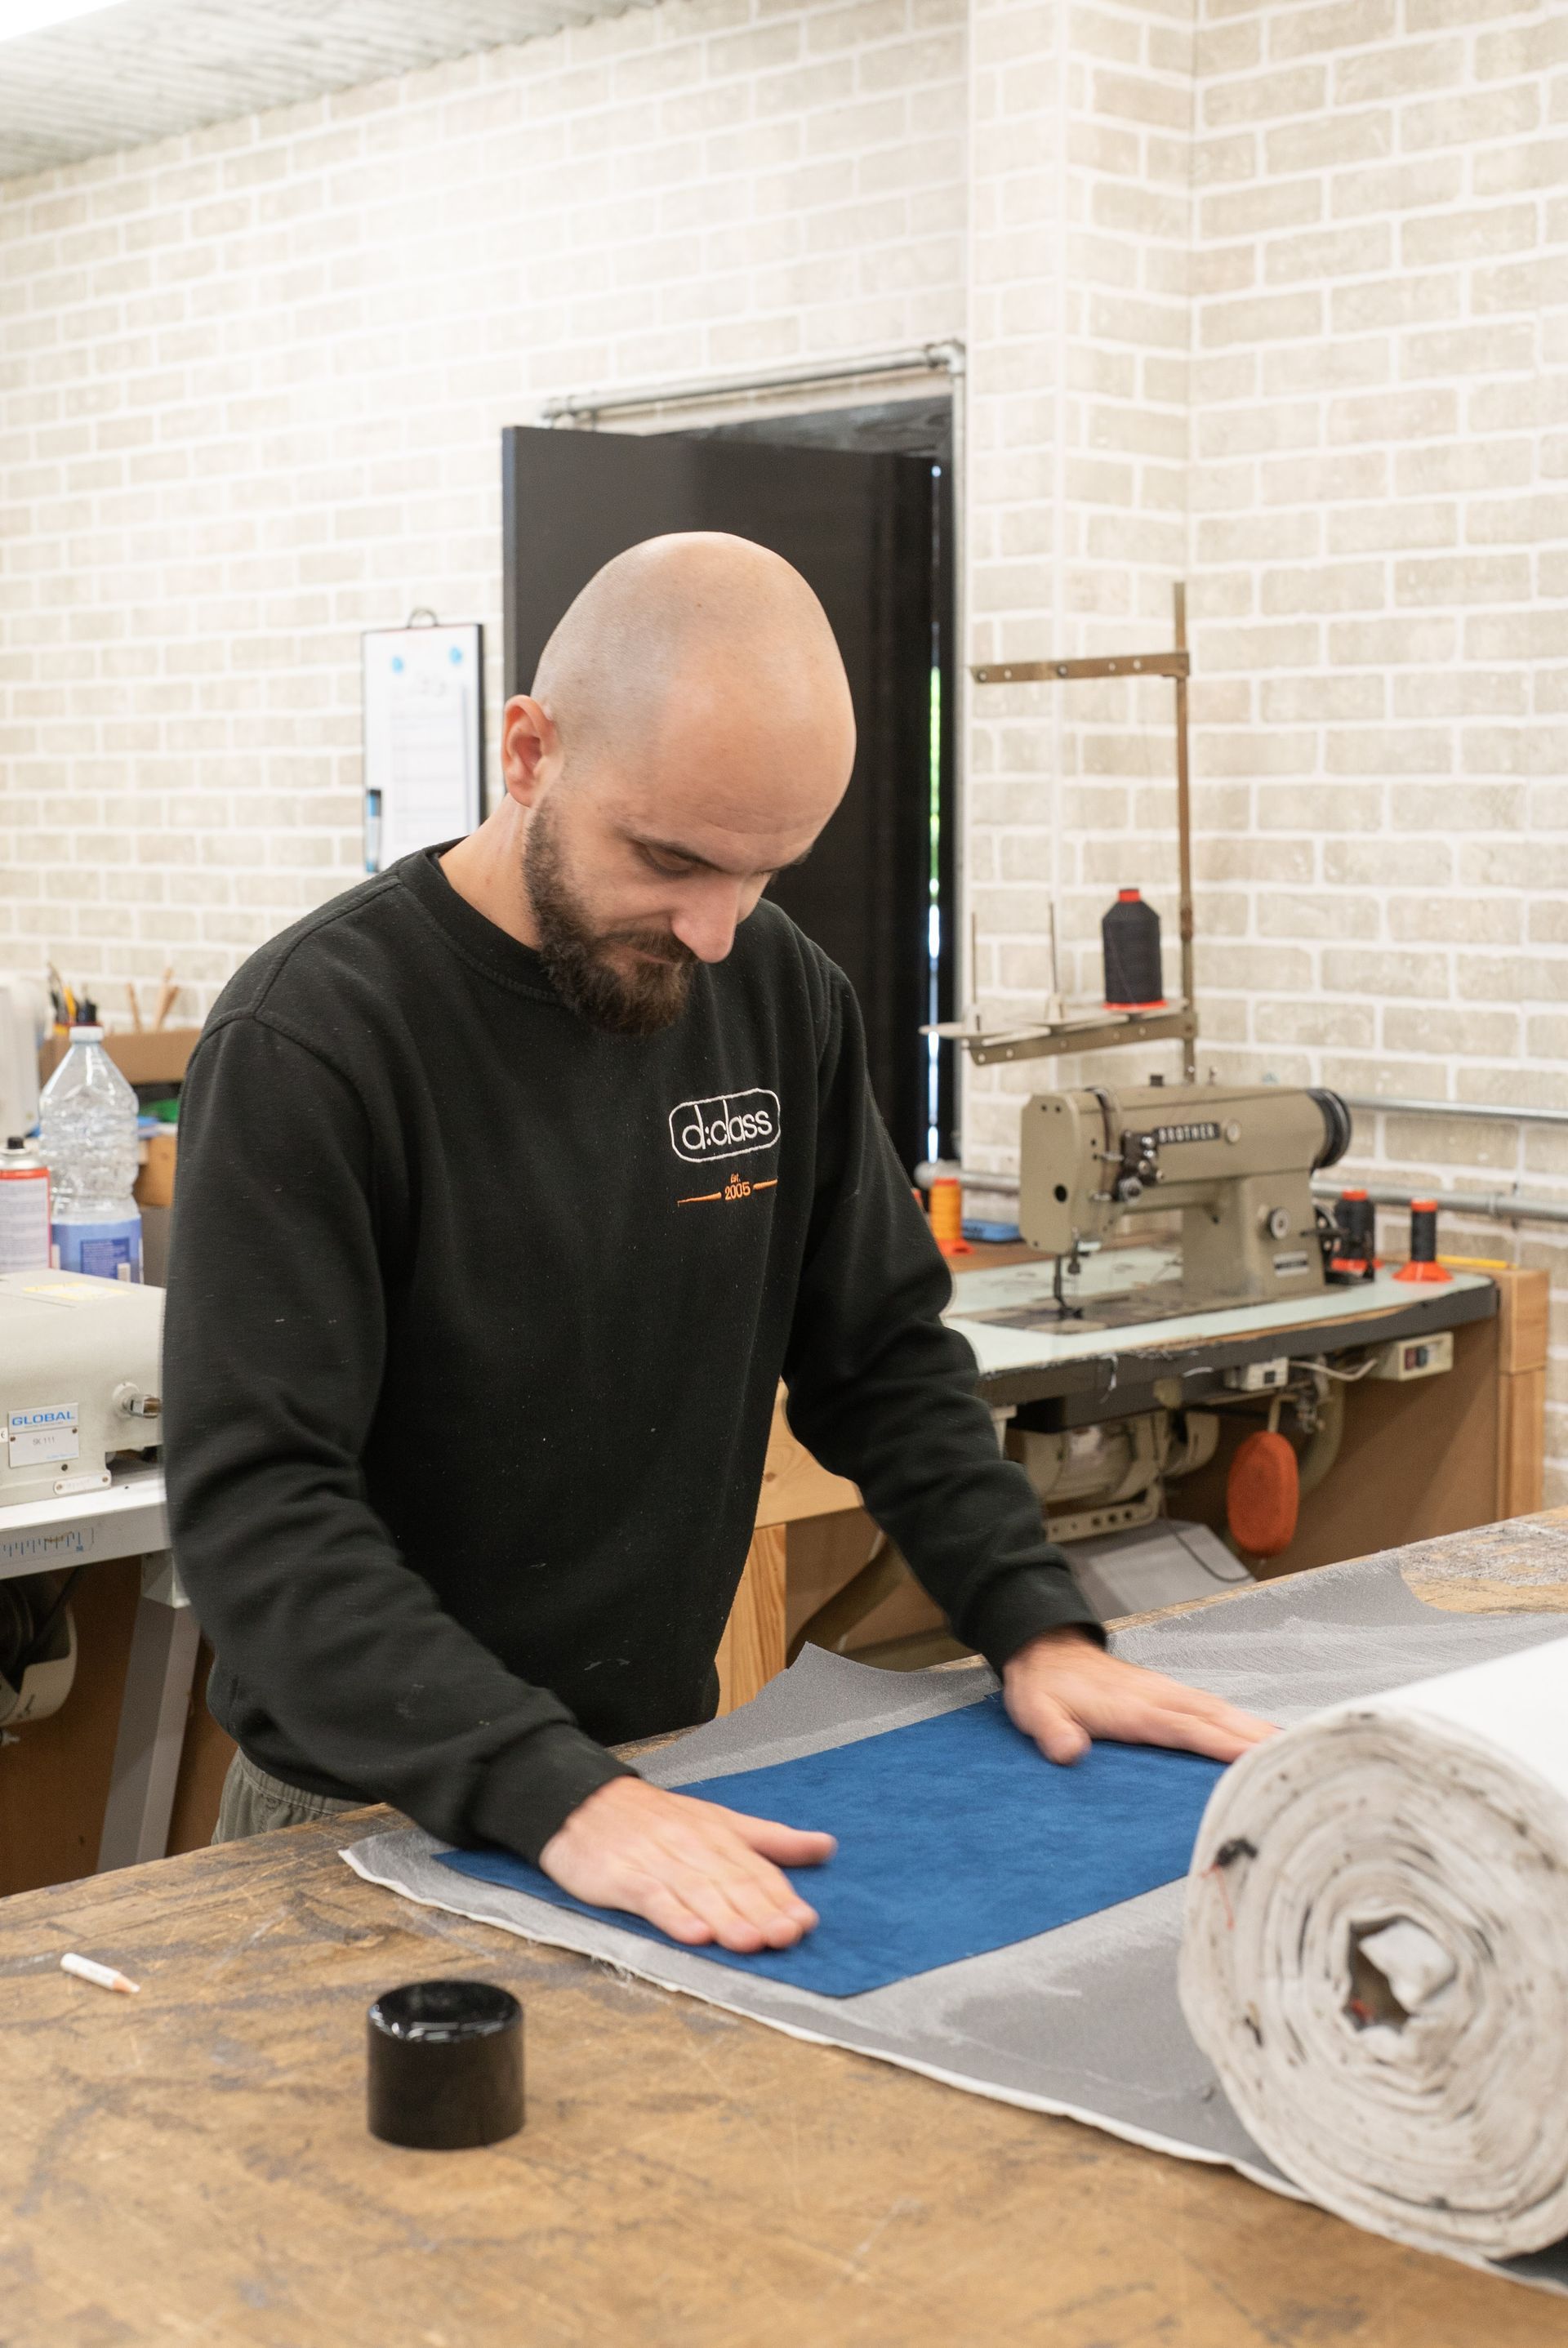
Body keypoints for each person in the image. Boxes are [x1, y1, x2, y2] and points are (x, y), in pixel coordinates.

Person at [164, 533, 1271, 1958]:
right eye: (672, 859)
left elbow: (879, 1353)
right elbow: (261, 1511)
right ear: (529, 750)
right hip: (363, 1817)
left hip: (664, 1782)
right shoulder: (316, 1039)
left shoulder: (777, 991)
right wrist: (551, 1790)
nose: (715, 928)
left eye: (763, 873)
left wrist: (1031, 1618)